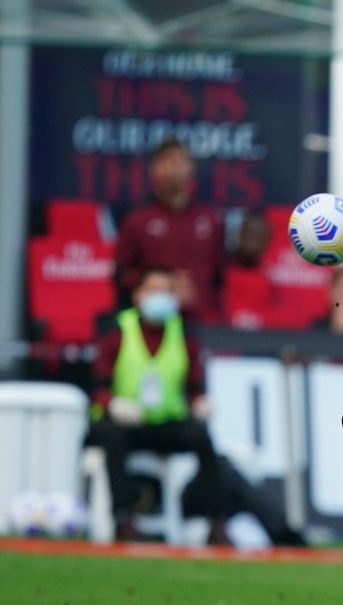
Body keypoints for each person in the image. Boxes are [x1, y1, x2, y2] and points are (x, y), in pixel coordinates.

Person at [88, 267, 227, 542]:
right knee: (111, 435)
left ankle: (215, 521)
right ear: (138, 295)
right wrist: (113, 404)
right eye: (153, 290)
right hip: (127, 422)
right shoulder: (117, 332)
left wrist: (199, 403)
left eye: (167, 291)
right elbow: (98, 386)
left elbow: (193, 387)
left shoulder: (183, 334)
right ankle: (123, 517)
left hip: (166, 422)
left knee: (203, 438)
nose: (160, 297)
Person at [115, 138, 225, 323]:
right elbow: (121, 275)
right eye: (167, 160)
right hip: (153, 321)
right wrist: (162, 285)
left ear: (191, 168)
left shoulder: (211, 219)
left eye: (181, 160)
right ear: (154, 168)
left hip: (203, 321)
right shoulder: (137, 220)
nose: (174, 167)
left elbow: (220, 276)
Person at [223, 212, 273, 330]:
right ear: (239, 236)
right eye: (250, 234)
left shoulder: (271, 279)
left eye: (260, 237)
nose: (254, 242)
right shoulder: (222, 274)